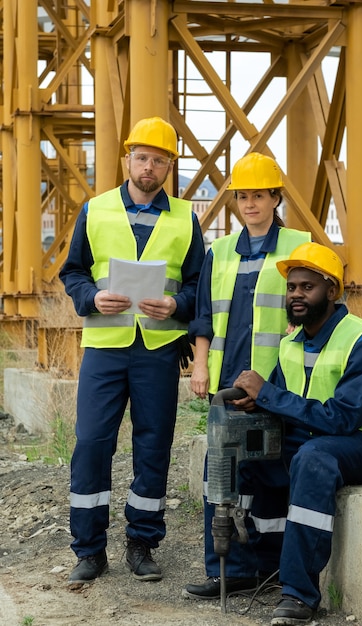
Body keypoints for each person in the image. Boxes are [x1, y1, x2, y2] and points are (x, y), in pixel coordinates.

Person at [229, 242, 362, 625]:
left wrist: (268, 393)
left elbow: (343, 418)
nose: (297, 294)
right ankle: (247, 570)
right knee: (243, 446)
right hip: (325, 436)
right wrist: (258, 403)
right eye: (292, 287)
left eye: (307, 287)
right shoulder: (291, 344)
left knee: (313, 460)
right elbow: (287, 402)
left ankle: (299, 594)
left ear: (332, 291)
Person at [59, 116, 205, 584]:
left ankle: (142, 542)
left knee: (153, 446)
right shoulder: (96, 210)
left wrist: (177, 303)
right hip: (105, 344)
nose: (148, 167)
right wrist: (91, 298)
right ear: (127, 159)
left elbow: (198, 284)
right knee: (91, 444)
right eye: (141, 157)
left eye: (158, 160)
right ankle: (89, 550)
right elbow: (74, 272)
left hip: (158, 350)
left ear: (168, 167)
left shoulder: (185, 218)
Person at [183, 152, 311, 600]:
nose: (250, 203)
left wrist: (276, 388)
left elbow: (311, 316)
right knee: (222, 476)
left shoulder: (299, 245)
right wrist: (200, 366)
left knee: (272, 475)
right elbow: (203, 317)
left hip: (279, 385)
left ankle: (271, 568)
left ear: (276, 197)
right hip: (228, 385)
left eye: (259, 195)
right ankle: (230, 571)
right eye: (243, 196)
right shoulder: (218, 252)